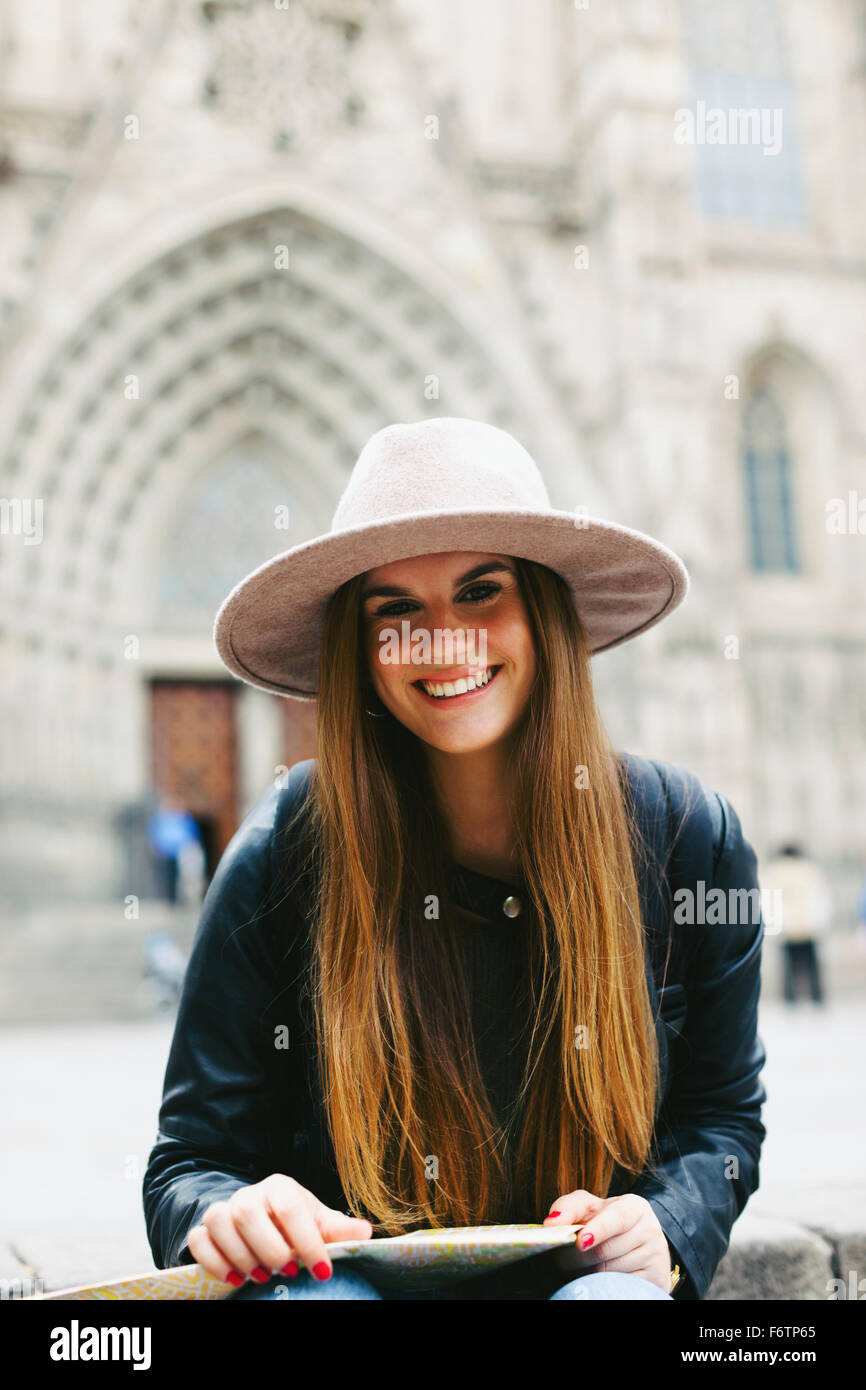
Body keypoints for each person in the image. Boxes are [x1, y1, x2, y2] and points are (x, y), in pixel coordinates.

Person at [142, 417, 767, 1301]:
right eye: (395, 609)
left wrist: (664, 1221)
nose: (440, 639)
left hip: (580, 1284)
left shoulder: (687, 838)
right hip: (350, 1286)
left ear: (547, 610)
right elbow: (191, 1162)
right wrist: (231, 1211)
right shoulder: (288, 848)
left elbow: (723, 1122)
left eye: (482, 591)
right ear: (359, 649)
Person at [761, 844, 832, 1005]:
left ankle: (790, 998)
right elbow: (821, 897)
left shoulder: (774, 871)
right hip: (808, 925)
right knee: (812, 964)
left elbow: (769, 900)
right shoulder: (810, 870)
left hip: (786, 927)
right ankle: (816, 997)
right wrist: (821, 922)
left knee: (788, 966)